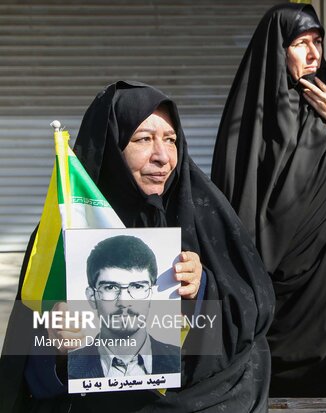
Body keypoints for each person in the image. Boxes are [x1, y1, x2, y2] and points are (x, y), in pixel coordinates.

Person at [0, 81, 274, 412]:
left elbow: (249, 327)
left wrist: (202, 291)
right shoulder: (61, 232)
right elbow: (24, 374)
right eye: (144, 139)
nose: (162, 157)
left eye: (171, 140)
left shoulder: (203, 218)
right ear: (112, 147)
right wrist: (56, 348)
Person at [212, 3, 326, 397]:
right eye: (300, 43)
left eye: (318, 42)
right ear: (278, 51)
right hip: (275, 288)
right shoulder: (247, 123)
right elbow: (236, 199)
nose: (313, 53)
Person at [68, 235, 180, 380]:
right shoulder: (68, 366)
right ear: (91, 297)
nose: (124, 302)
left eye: (138, 286)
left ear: (150, 294)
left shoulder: (181, 361)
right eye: (110, 287)